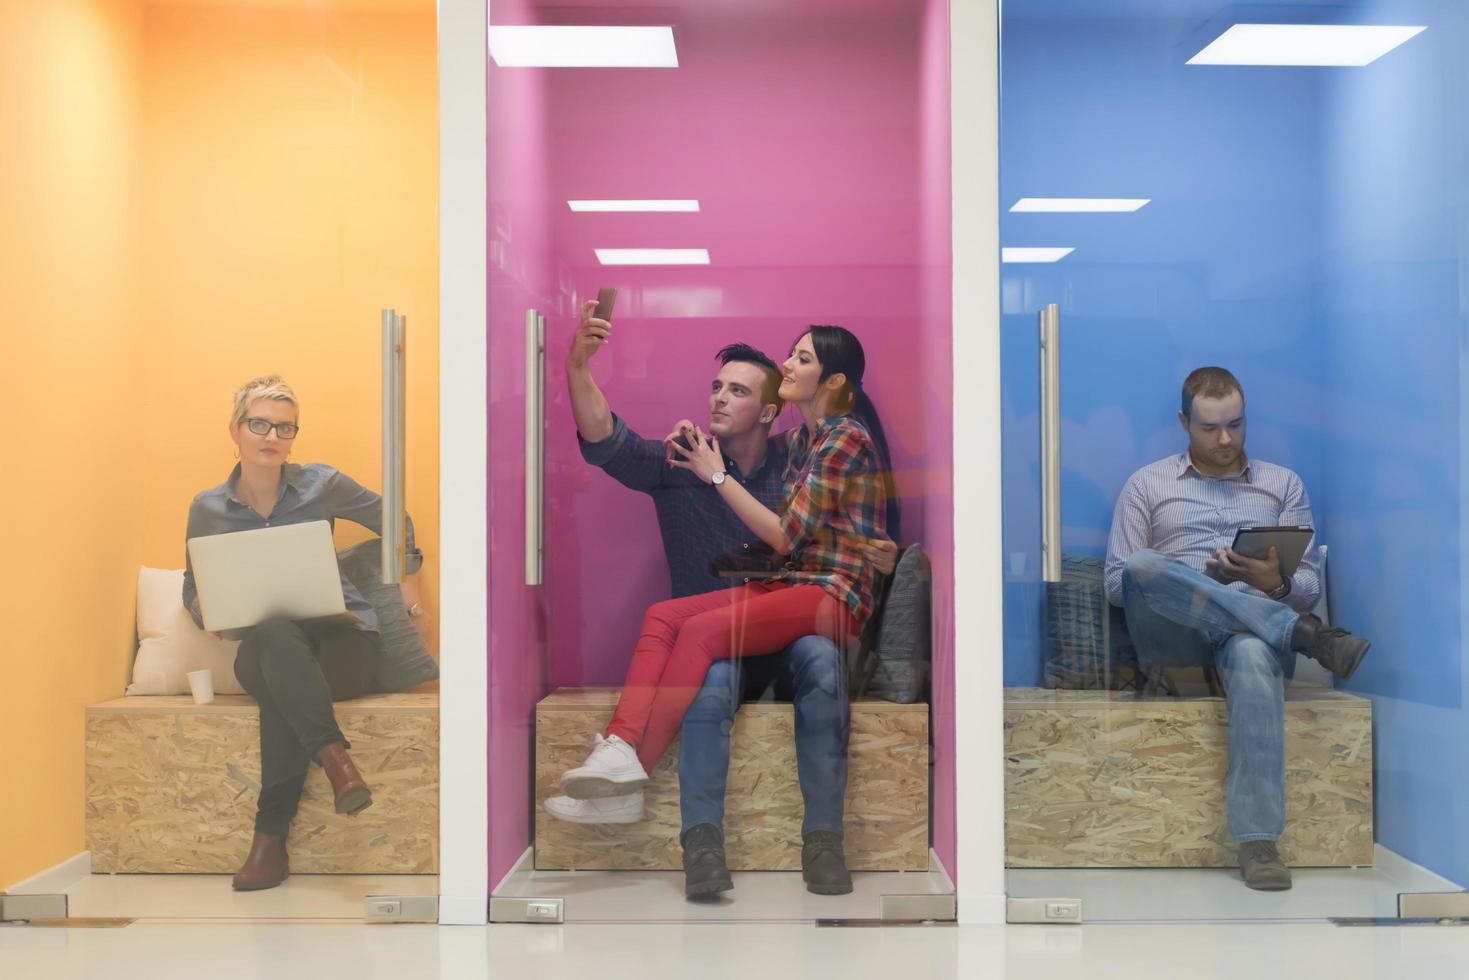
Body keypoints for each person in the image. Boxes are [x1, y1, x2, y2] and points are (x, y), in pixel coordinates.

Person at [546, 300, 897, 897]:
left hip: (808, 609)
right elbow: (606, 436)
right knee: (678, 634)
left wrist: (876, 547)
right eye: (716, 386)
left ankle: (823, 842)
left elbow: (800, 530)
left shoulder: (807, 448)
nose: (717, 399)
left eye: (737, 390)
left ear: (769, 413)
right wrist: (577, 366)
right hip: (750, 618)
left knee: (812, 660)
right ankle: (679, 822)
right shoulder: (693, 456)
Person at [1104, 367, 1371, 892]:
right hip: (1173, 634)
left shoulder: (1282, 485)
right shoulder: (1147, 484)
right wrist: (1197, 584)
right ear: (1184, 423)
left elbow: (1309, 584)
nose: (1225, 439)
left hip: (1251, 636)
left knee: (1251, 652)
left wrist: (1274, 584)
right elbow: (1120, 583)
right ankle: (1306, 635)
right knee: (1143, 564)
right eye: (1209, 428)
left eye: (1236, 424)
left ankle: (1257, 841)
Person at [181, 375, 421, 892]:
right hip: (266, 648)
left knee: (281, 686)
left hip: (344, 647)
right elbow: (191, 585)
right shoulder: (207, 508)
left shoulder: (322, 484)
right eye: (260, 424)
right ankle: (338, 762)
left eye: (284, 428)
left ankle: (268, 843)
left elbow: (394, 521)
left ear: (293, 437)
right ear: (235, 430)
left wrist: (406, 578)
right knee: (273, 638)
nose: (272, 436)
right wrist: (214, 616)